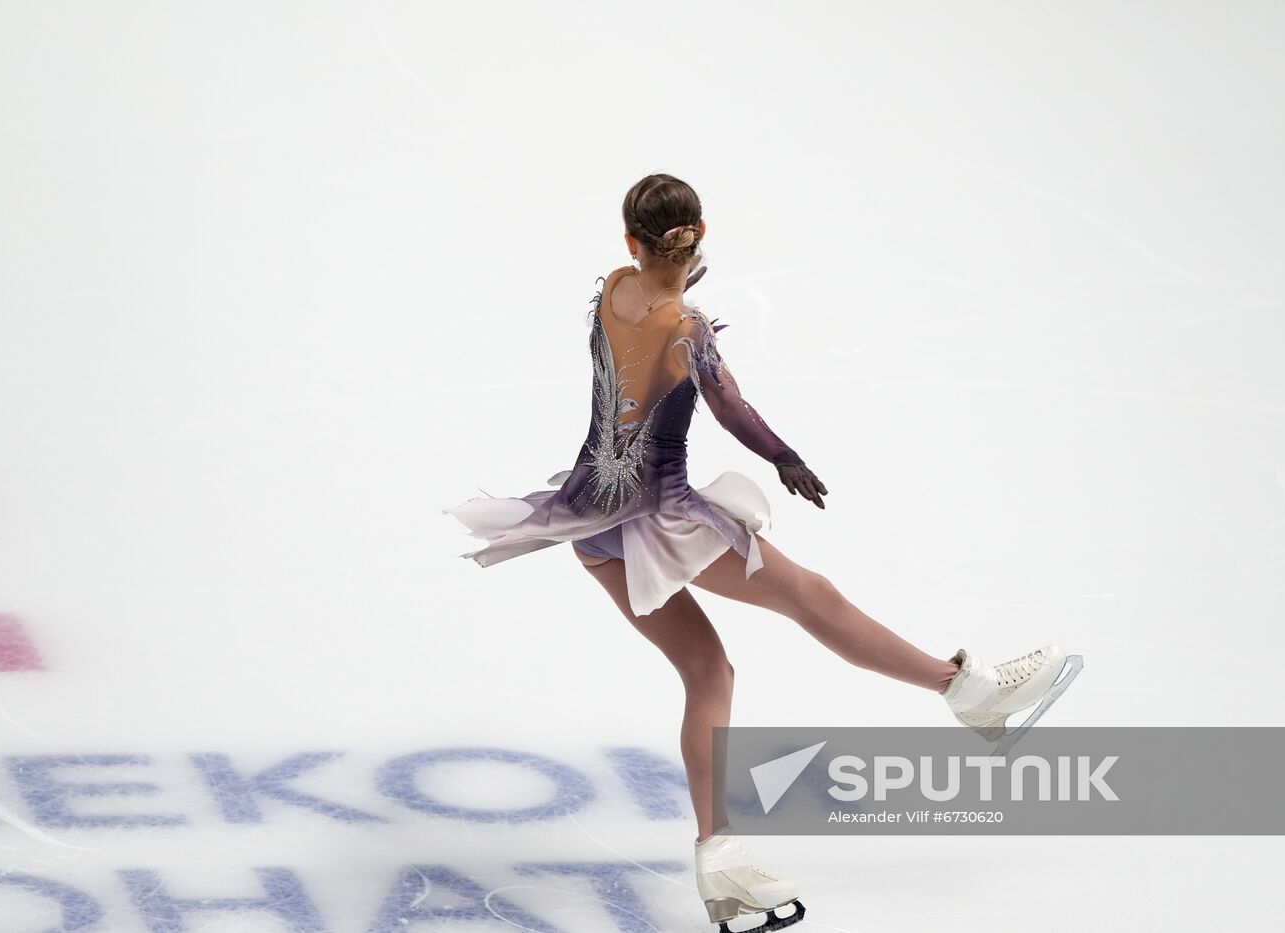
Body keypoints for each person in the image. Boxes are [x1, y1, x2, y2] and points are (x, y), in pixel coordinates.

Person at [443, 173, 1080, 933]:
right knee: (815, 598)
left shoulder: (615, 288)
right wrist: (784, 455)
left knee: (707, 669)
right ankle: (969, 693)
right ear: (700, 232)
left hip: (589, 520)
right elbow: (730, 404)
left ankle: (722, 861)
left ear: (630, 243)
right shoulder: (688, 326)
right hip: (664, 519)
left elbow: (651, 368)